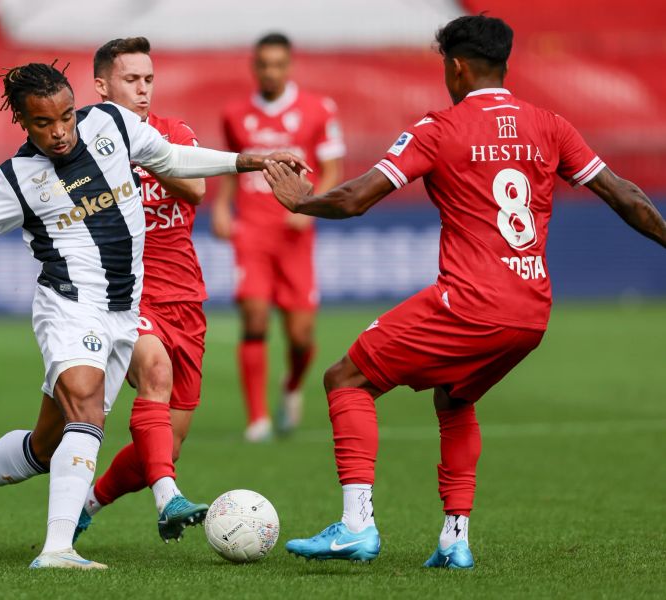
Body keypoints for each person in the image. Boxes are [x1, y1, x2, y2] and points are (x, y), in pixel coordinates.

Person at [263, 15, 666, 569]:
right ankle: (455, 538)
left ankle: (356, 527)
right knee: (454, 396)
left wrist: (302, 200)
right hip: (531, 311)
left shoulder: (440, 129)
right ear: (505, 65)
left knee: (345, 379)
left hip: (472, 302)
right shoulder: (551, 124)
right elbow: (624, 195)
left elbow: (357, 198)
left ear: (455, 67)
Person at [0, 61, 308, 570]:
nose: (60, 131)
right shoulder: (14, 179)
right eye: (44, 123)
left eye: (65, 116)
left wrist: (252, 161)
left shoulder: (111, 123)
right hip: (68, 304)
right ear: (22, 120)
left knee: (44, 448)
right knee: (87, 406)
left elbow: (173, 157)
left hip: (122, 312)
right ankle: (58, 548)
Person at [77, 37, 211, 541]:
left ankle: (88, 502)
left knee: (167, 446)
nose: (143, 90)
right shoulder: (83, 145)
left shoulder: (173, 133)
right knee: (154, 369)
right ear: (102, 85)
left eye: (148, 80)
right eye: (131, 80)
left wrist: (143, 152)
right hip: (126, 295)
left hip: (186, 298)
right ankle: (168, 498)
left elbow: (195, 187)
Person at [212, 32, 345, 442]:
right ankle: (258, 419)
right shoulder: (235, 114)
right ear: (255, 67)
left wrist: (312, 206)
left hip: (294, 235)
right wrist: (220, 207)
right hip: (250, 232)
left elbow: (333, 168)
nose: (270, 72)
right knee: (253, 319)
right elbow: (236, 168)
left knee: (301, 336)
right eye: (263, 64)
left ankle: (290, 387)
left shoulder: (318, 110)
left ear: (289, 66)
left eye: (278, 64)